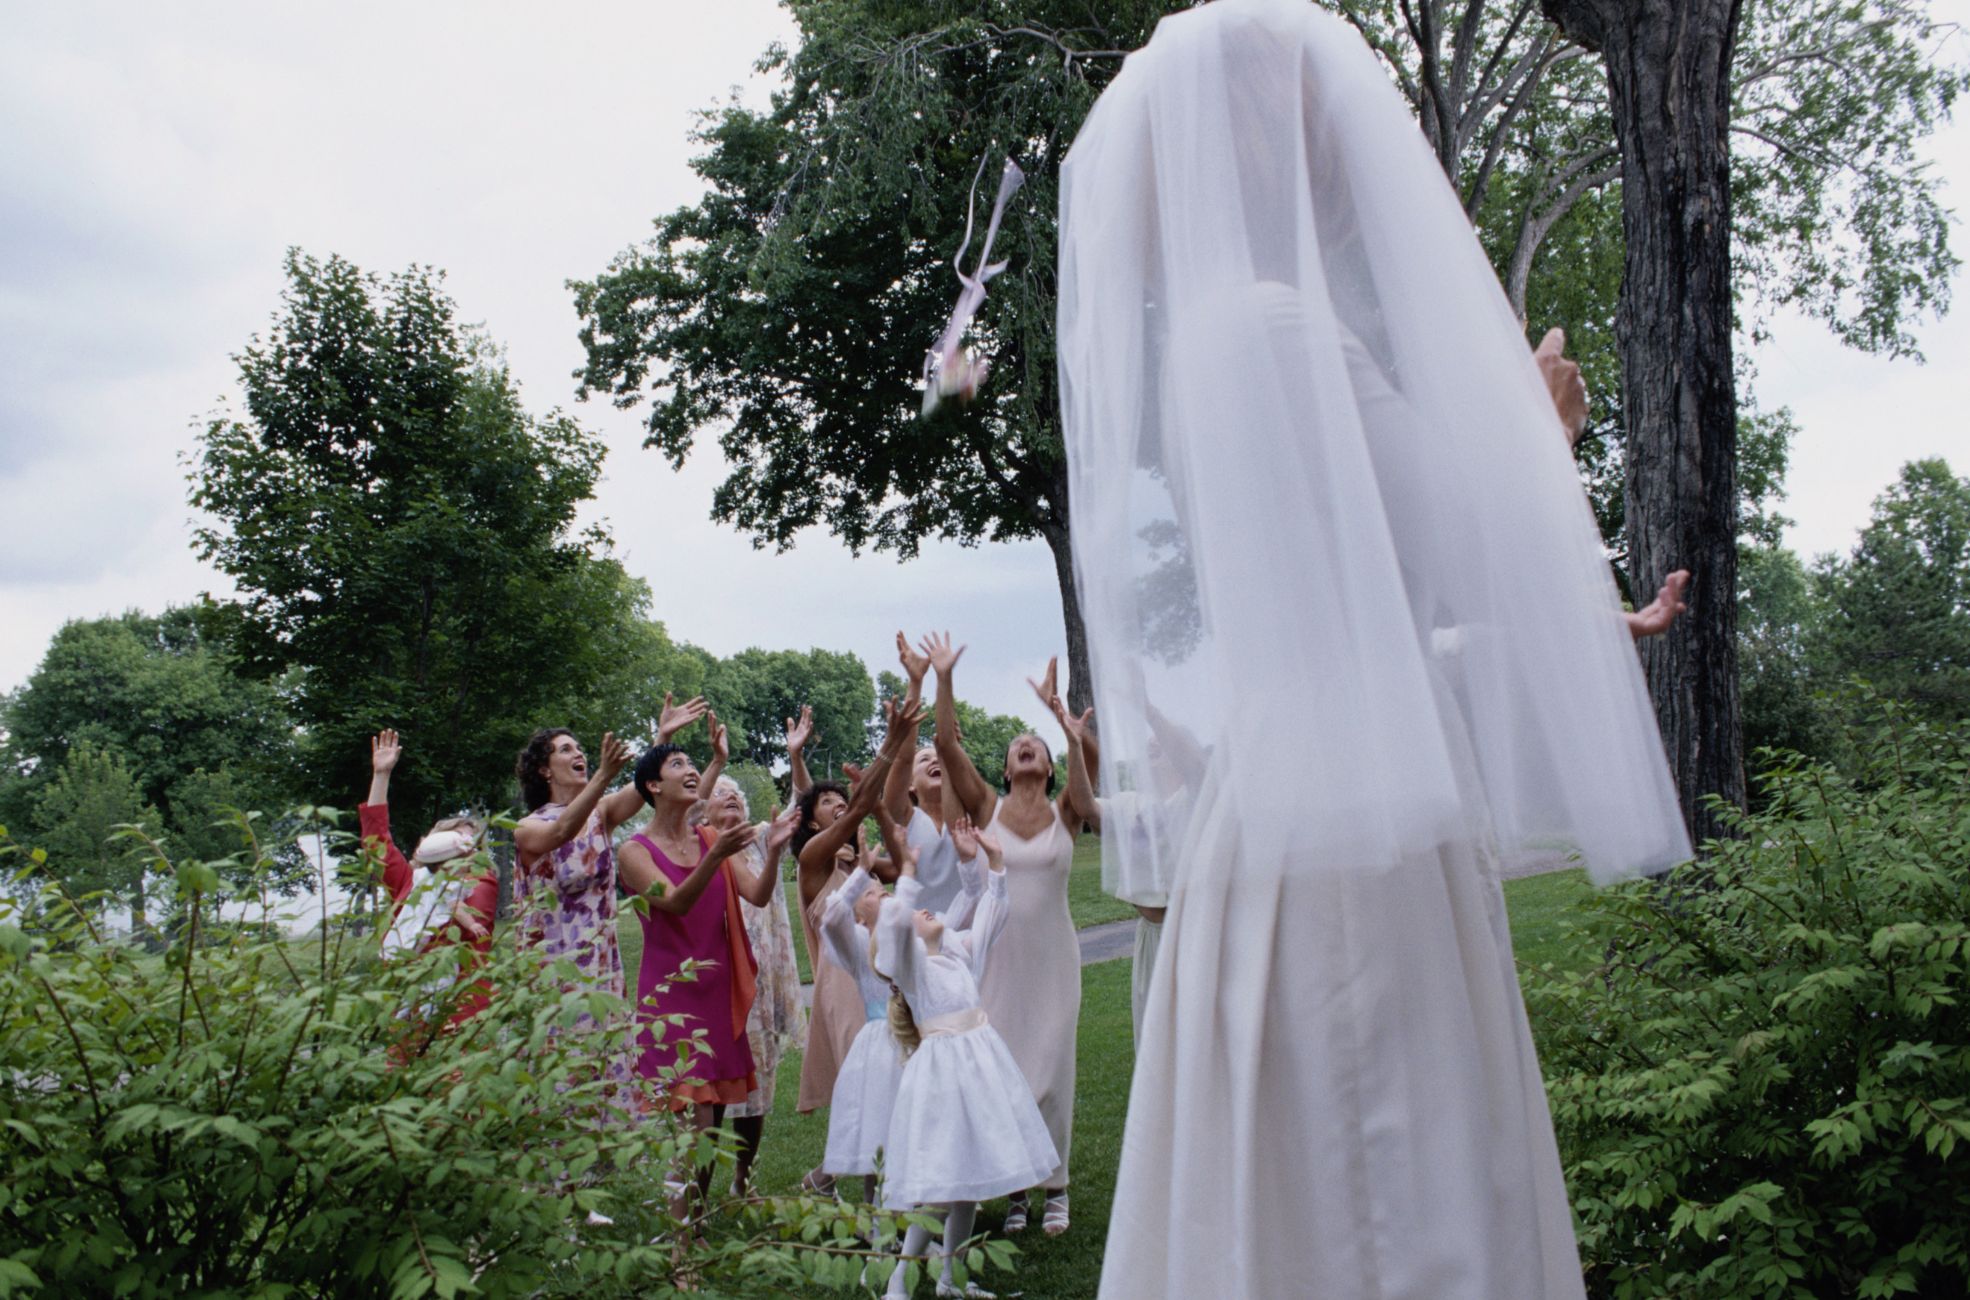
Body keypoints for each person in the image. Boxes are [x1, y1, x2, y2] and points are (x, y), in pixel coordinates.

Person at [1056, 3, 1693, 1295]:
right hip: (1358, 826)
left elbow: (1367, 588)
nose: (1345, 139)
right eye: (1314, 105)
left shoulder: (1211, 337)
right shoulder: (1278, 324)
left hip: (1286, 788)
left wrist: (1569, 604)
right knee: (1389, 1186)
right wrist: (1540, 428)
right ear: (1244, 125)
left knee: (1309, 1178)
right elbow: (1458, 538)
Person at [920, 634, 1095, 1236]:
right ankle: (1017, 1191)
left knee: (1052, 1068)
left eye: (1036, 745)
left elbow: (1089, 770)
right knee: (1005, 1071)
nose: (1026, 745)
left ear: (1049, 767)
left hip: (1053, 959)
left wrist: (1064, 723)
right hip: (997, 958)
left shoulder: (1068, 812)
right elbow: (945, 744)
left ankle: (1056, 1188)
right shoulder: (987, 804)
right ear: (1004, 767)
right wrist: (943, 677)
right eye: (1018, 744)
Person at [872, 815, 1057, 1299]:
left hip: (981, 1068)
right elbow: (892, 934)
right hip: (943, 1074)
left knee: (969, 1182)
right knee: (939, 1185)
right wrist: (906, 876)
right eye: (917, 912)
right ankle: (899, 1283)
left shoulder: (957, 953)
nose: (929, 912)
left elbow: (992, 911)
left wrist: (993, 861)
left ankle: (951, 1278)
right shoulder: (911, 967)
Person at [619, 711, 777, 1209]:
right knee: (695, 1124)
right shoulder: (634, 851)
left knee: (708, 1125)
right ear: (652, 785)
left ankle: (694, 1224)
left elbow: (756, 894)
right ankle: (682, 1244)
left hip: (716, 993)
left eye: (694, 763)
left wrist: (775, 852)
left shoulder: (710, 839)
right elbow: (675, 902)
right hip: (673, 998)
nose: (690, 770)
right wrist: (716, 854)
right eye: (677, 764)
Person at [513, 696, 706, 1056]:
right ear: (544, 770)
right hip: (551, 968)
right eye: (566, 749)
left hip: (600, 964)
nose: (578, 753)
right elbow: (560, 834)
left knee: (603, 1066)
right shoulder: (527, 828)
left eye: (580, 748)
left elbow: (646, 785)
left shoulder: (600, 814)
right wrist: (603, 776)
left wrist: (661, 737)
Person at [791, 699, 921, 1190]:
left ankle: (834, 1178)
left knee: (884, 1083)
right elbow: (864, 805)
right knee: (864, 1087)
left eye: (839, 799)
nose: (838, 803)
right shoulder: (813, 859)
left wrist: (879, 811)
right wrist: (892, 742)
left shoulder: (857, 862)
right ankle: (861, 1193)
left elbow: (906, 862)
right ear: (810, 820)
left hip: (875, 980)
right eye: (827, 802)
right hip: (841, 984)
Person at [703, 766, 807, 1197]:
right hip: (716, 986)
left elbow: (801, 806)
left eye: (737, 796)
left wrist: (796, 756)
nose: (732, 798)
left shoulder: (760, 840)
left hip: (760, 988)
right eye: (721, 794)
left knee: (757, 1087)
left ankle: (743, 1178)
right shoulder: (698, 847)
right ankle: (696, 1190)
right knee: (710, 1094)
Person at [360, 728, 499, 1031]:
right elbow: (375, 843)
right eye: (454, 843)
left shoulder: (480, 884)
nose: (464, 850)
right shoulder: (411, 882)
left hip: (460, 1010)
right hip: (406, 1010)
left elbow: (472, 926)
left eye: (471, 845)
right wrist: (381, 775)